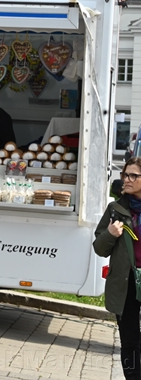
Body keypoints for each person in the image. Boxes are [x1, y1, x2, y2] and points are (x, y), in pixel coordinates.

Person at [94, 157, 141, 380]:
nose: (127, 180)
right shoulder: (116, 209)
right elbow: (99, 248)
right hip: (126, 283)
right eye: (125, 175)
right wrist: (110, 235)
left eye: (134, 175)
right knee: (130, 341)